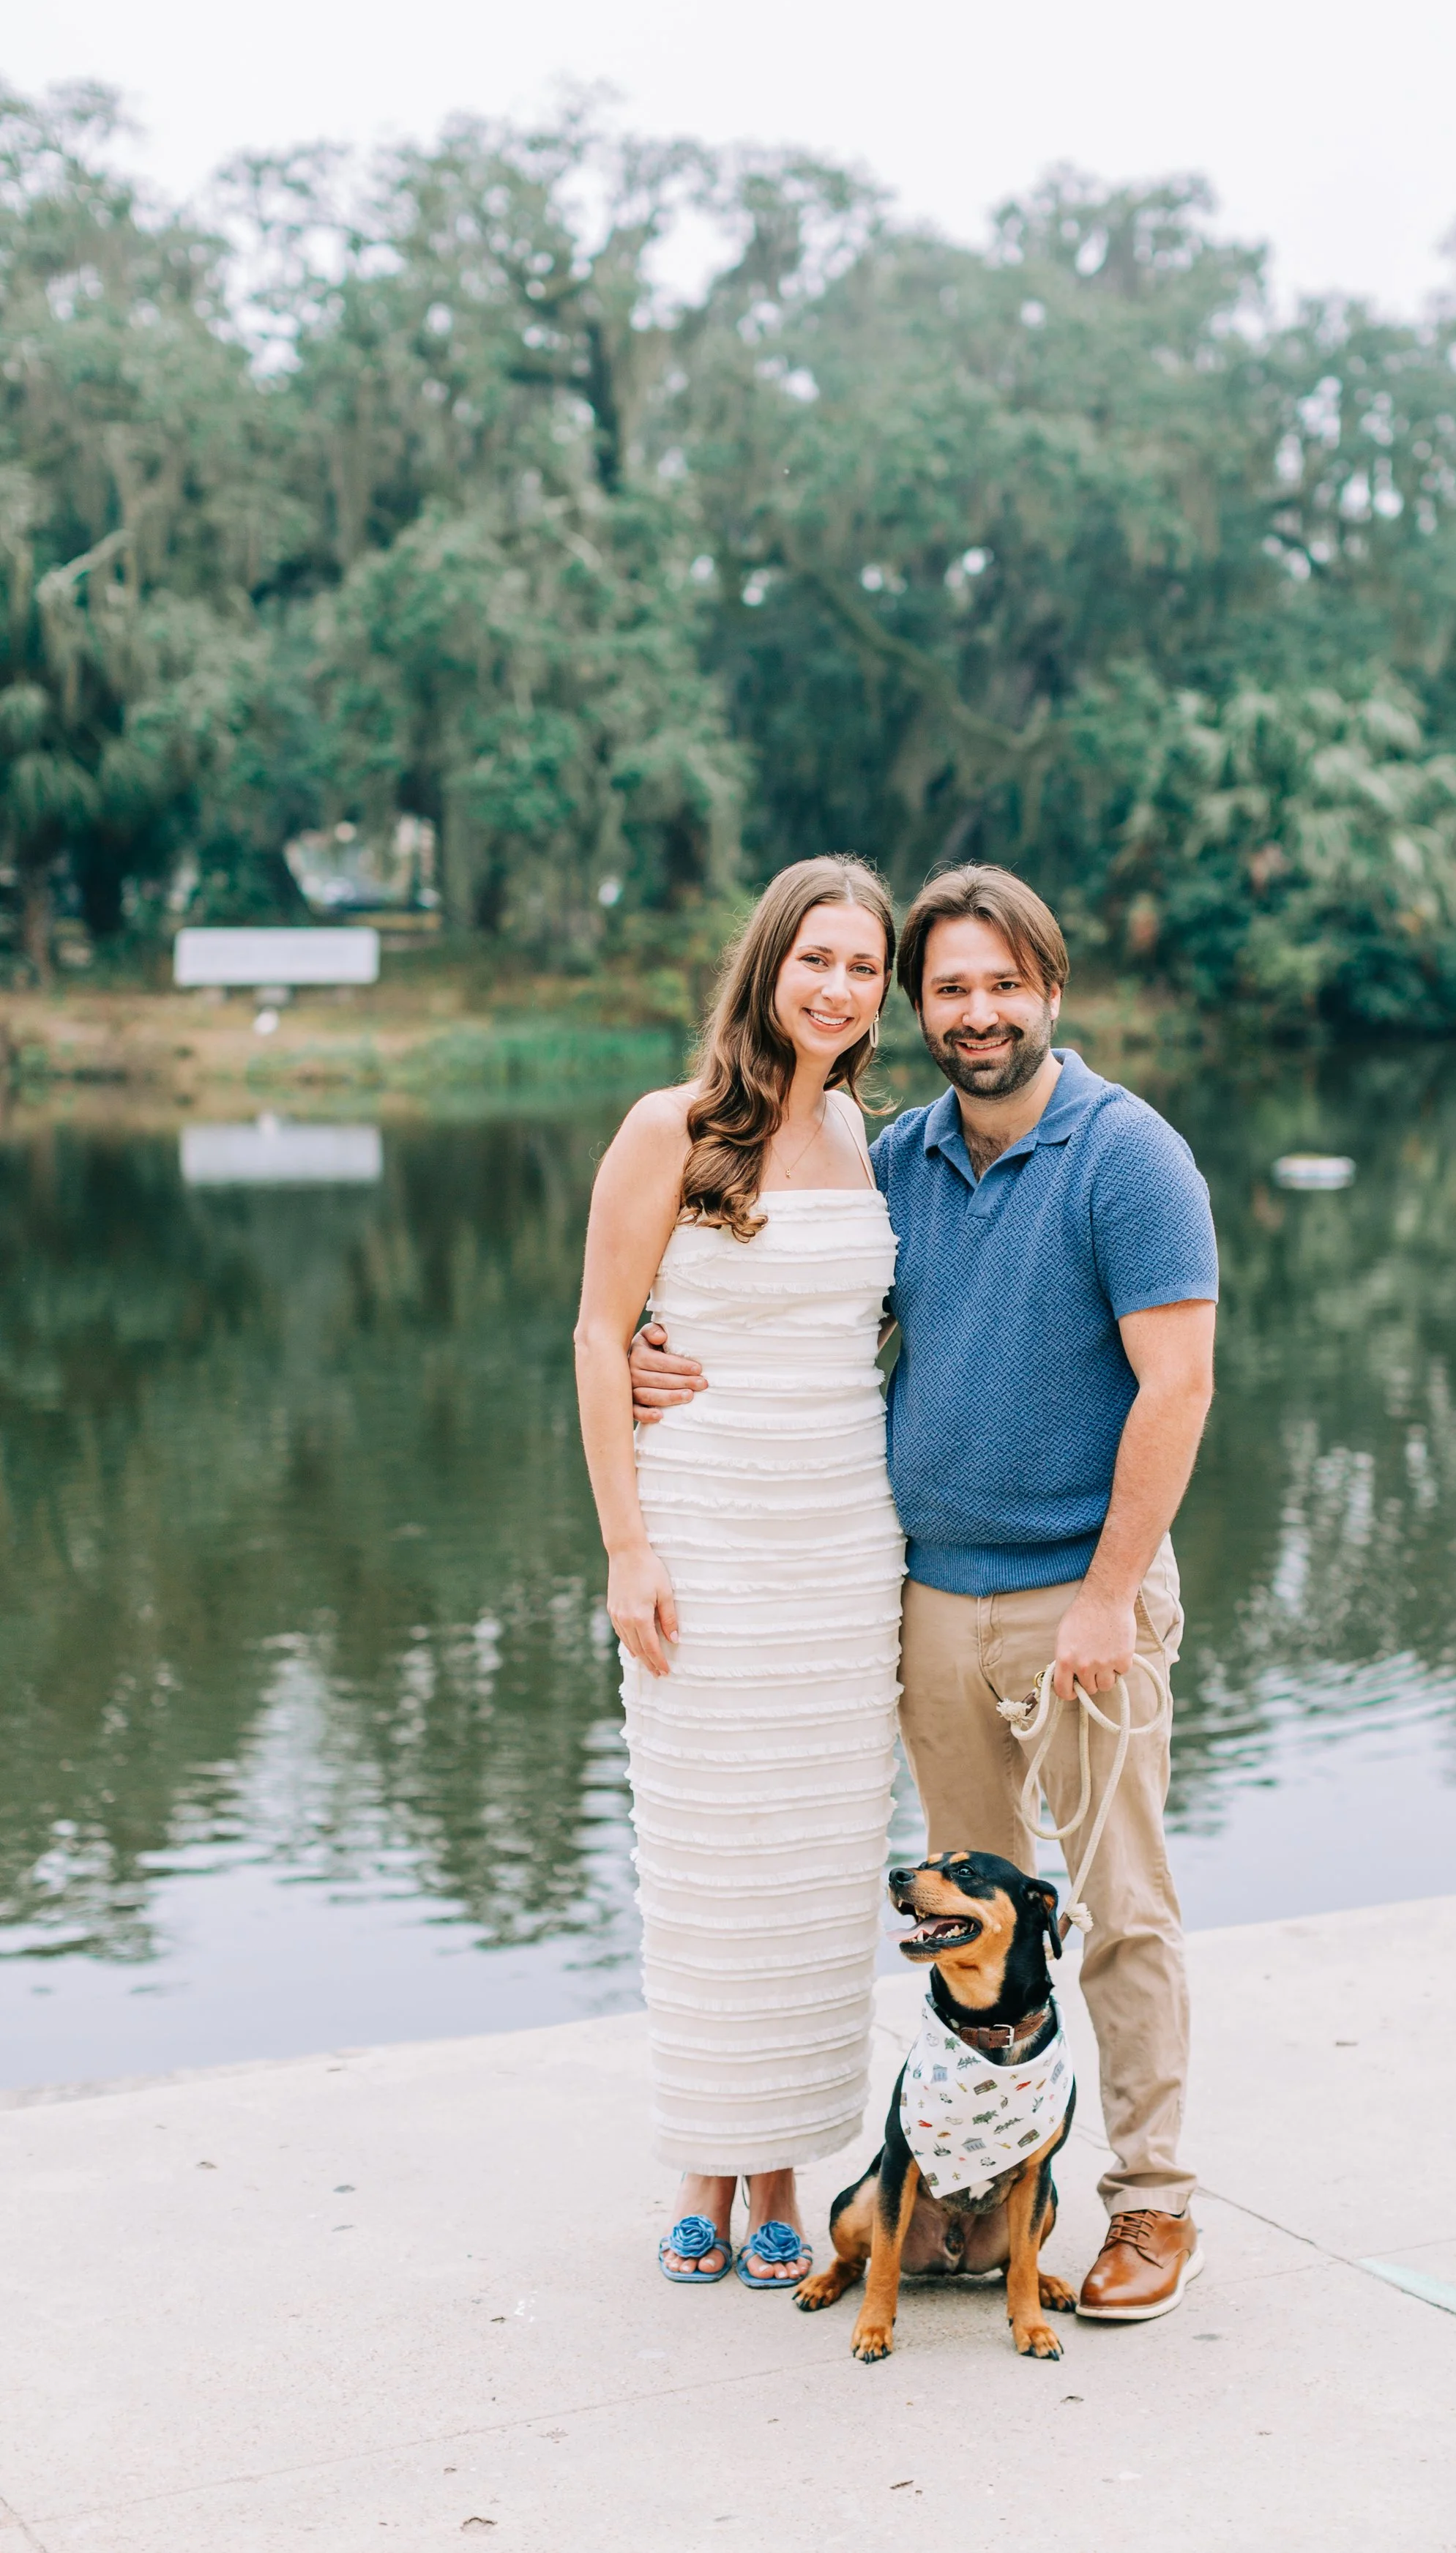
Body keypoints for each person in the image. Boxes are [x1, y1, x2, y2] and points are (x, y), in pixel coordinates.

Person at [633, 863, 1219, 2321]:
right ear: (921, 1008)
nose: (974, 1013)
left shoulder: (1123, 1156)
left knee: (1120, 1905)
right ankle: (970, 2196)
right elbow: (780, 1278)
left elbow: (1179, 1385)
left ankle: (1148, 2207)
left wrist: (1106, 1595)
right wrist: (656, 1338)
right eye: (947, 988)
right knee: (975, 1938)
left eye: (999, 985)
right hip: (924, 1606)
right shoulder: (895, 1158)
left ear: (1049, 992)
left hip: (1077, 1608)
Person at [575, 856, 903, 2289]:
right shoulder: (673, 1127)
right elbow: (597, 1334)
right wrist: (625, 1547)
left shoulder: (867, 1138)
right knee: (710, 1856)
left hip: (842, 1543)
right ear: (766, 966)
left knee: (815, 1862)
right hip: (702, 1534)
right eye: (814, 958)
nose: (835, 988)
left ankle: (782, 2165)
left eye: (861, 967)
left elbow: (871, 1331)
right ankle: (703, 2162)